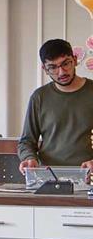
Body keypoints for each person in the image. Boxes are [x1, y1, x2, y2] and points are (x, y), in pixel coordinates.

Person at [19, 39, 93, 172]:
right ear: (45, 69)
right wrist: (29, 157)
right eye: (53, 67)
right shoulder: (39, 97)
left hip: (89, 176)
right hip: (49, 176)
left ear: (75, 60)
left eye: (66, 64)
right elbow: (26, 141)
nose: (62, 72)